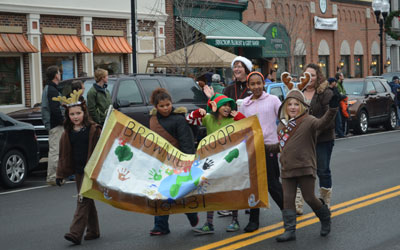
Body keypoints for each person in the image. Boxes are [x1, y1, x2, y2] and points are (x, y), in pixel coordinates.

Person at [265, 87, 338, 242]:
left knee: (310, 197)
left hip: (305, 166)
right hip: (287, 168)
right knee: (288, 199)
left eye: (296, 104)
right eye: (290, 104)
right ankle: (289, 230)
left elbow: (323, 123)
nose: (293, 107)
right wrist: (263, 147)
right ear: (285, 107)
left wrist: (332, 108)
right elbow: (281, 146)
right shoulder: (282, 125)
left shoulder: (309, 120)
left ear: (303, 106)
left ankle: (325, 218)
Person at [186, 93, 245, 235]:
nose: (227, 107)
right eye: (224, 105)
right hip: (212, 161)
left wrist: (238, 116)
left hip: (230, 160)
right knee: (210, 190)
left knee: (232, 189)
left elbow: (249, 125)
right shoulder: (208, 119)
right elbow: (189, 119)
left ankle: (235, 221)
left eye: (229, 105)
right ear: (216, 106)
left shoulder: (233, 119)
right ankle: (209, 223)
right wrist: (197, 112)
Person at [53, 89, 102, 245]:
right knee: (88, 200)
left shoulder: (93, 130)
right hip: (80, 172)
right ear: (68, 116)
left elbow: (102, 148)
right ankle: (93, 231)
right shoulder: (67, 134)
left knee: (83, 200)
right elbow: (64, 156)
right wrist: (60, 175)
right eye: (72, 114)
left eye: (78, 113)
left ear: (84, 113)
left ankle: (75, 233)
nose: (75, 117)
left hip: (92, 170)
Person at [148, 88, 199, 236]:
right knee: (161, 193)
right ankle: (160, 225)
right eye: (161, 106)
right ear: (156, 107)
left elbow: (186, 140)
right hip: (160, 162)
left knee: (178, 192)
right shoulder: (153, 120)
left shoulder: (179, 119)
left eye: (168, 104)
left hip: (178, 161)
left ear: (172, 103)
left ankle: (191, 213)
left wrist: (188, 160)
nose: (165, 108)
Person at [238, 72, 284, 232]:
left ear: (263, 84)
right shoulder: (245, 104)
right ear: (248, 86)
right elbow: (241, 125)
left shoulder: (273, 100)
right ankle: (253, 220)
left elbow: (284, 118)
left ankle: (288, 212)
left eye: (259, 83)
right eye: (253, 84)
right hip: (251, 148)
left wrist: (281, 136)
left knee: (272, 183)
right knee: (254, 185)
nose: (256, 86)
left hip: (269, 147)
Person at [296, 63, 335, 213]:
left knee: (323, 170)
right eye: (307, 75)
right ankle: (298, 204)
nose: (310, 78)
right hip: (302, 140)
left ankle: (325, 203)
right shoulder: (298, 92)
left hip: (323, 138)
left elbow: (329, 117)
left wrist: (313, 131)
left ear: (318, 76)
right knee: (301, 169)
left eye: (312, 75)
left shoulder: (325, 93)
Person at [43, 65, 64, 186]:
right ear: (56, 75)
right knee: (55, 151)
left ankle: (57, 176)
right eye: (59, 73)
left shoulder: (50, 88)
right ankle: (52, 177)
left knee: (57, 150)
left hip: (53, 123)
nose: (60, 75)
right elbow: (55, 108)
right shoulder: (52, 90)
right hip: (55, 124)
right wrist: (62, 120)